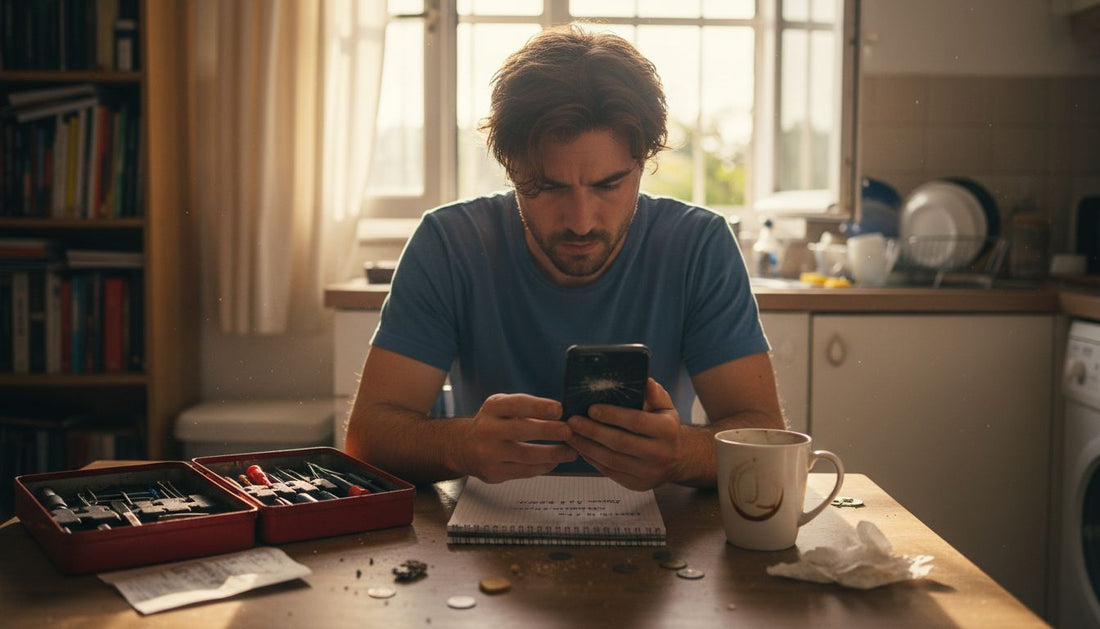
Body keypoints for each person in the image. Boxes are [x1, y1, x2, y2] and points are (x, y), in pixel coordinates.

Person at [345, 23, 784, 491]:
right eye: (550, 186)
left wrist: (679, 454)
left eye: (608, 185)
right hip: (483, 540)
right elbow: (366, 439)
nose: (580, 221)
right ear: (510, 167)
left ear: (643, 163)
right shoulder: (449, 243)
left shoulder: (699, 245)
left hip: (661, 538)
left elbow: (766, 437)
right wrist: (461, 444)